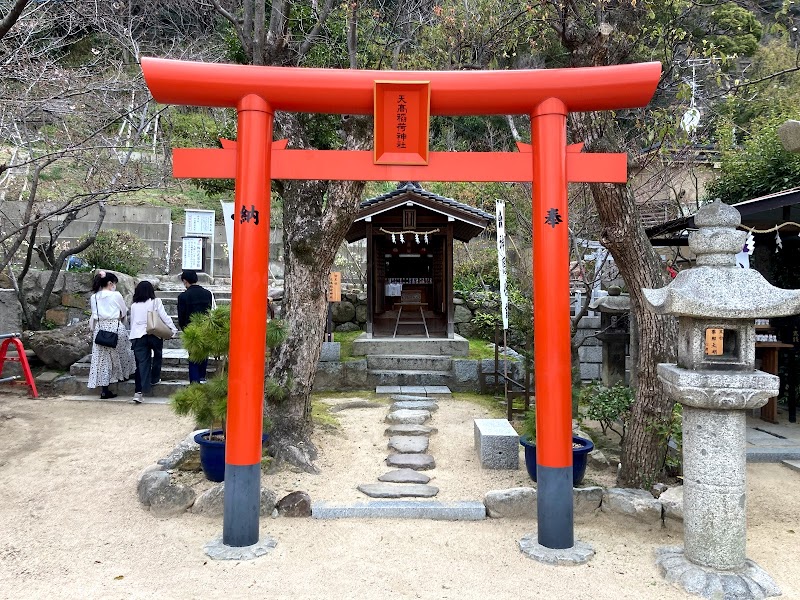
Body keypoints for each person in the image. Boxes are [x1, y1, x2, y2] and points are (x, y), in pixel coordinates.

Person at [88, 270, 136, 399]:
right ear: (110, 283)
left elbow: (94, 314)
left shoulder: (94, 297)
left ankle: (104, 389)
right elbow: (124, 311)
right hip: (115, 327)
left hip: (100, 329)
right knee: (123, 353)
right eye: (114, 283)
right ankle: (122, 376)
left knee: (102, 359)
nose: (114, 286)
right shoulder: (116, 295)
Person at [129, 280, 178, 403]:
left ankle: (138, 392)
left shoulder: (134, 305)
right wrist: (172, 328)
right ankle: (154, 378)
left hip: (138, 336)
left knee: (141, 364)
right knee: (157, 355)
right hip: (154, 334)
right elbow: (163, 316)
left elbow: (133, 322)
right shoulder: (155, 301)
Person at [177, 270, 214, 383]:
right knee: (204, 354)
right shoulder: (207, 293)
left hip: (191, 329)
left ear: (185, 281)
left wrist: (185, 329)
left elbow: (181, 317)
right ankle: (202, 377)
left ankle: (194, 381)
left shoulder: (183, 296)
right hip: (205, 327)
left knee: (193, 357)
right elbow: (209, 312)